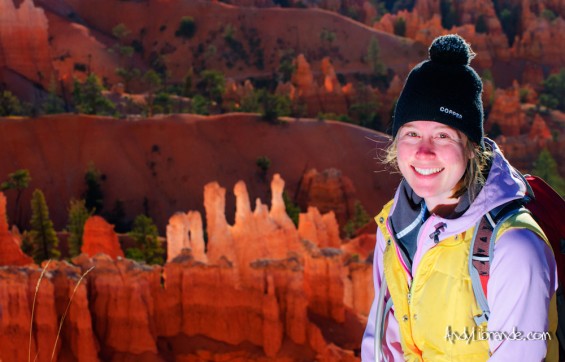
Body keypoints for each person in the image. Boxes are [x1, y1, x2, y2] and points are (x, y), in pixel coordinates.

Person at [361, 34, 558, 361]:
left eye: (443, 135)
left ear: (470, 147)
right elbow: (383, 345)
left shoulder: (513, 249)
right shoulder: (394, 227)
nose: (423, 151)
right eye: (411, 133)